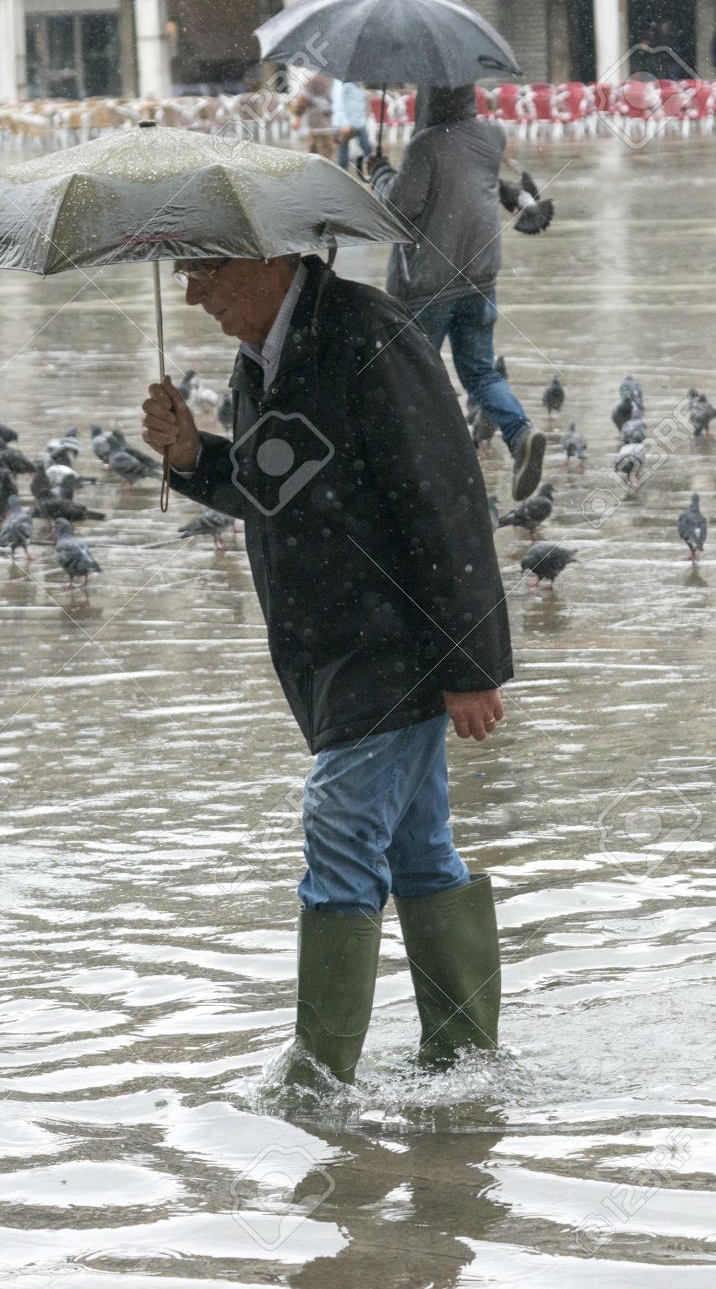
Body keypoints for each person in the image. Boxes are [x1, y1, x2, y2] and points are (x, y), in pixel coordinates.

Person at [140, 252, 512, 1088]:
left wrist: (470, 662)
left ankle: (317, 1085)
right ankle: (465, 1071)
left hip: (394, 644)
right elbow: (278, 482)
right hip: (329, 649)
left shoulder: (371, 335)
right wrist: (196, 456)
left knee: (339, 822)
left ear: (268, 259)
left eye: (204, 272)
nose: (191, 292)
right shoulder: (264, 353)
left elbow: (445, 497)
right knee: (419, 854)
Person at [368, 85, 547, 501]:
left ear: (429, 100)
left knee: (412, 377)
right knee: (480, 371)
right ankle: (520, 434)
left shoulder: (425, 146)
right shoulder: (491, 137)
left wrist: (379, 172)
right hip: (480, 278)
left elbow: (397, 209)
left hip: (426, 286)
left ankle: (426, 465)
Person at [329, 79, 371, 171]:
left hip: (359, 123)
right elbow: (338, 103)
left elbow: (359, 102)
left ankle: (368, 172)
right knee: (343, 153)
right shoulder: (341, 82)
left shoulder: (358, 82)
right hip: (345, 124)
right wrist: (344, 123)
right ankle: (341, 175)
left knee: (367, 148)